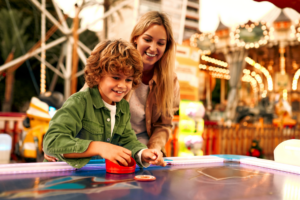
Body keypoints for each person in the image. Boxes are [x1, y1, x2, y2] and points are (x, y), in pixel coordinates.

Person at [45, 11, 180, 166]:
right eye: (116, 77)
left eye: (129, 80)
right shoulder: (83, 99)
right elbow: (56, 137)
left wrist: (146, 152)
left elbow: (131, 137)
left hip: (122, 157)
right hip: (81, 166)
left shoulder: (122, 107)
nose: (122, 85)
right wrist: (55, 146)